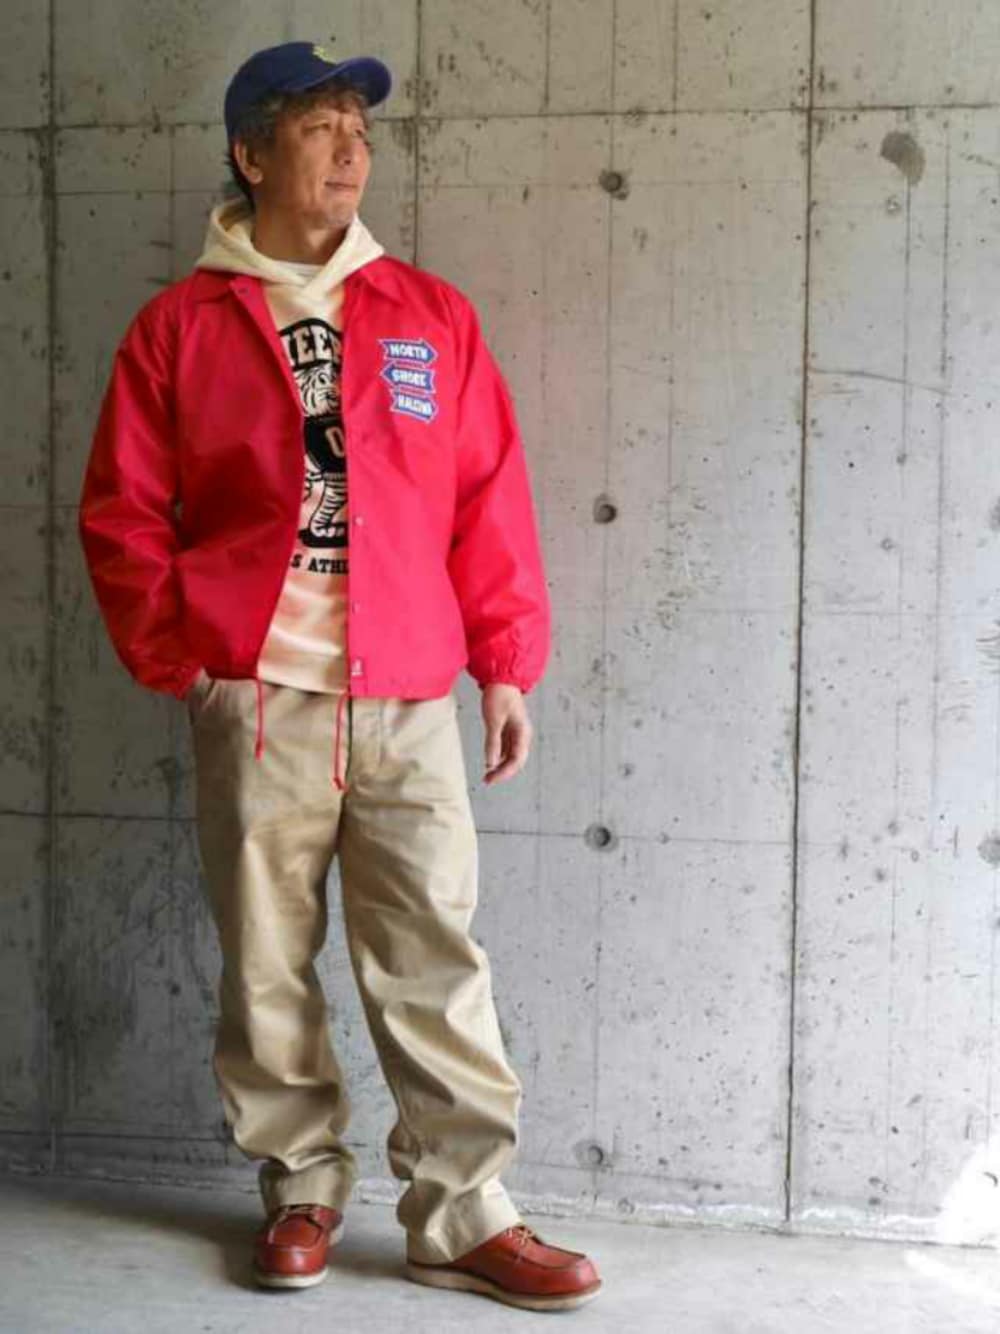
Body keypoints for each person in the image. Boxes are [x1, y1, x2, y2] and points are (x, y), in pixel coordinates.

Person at [77, 40, 602, 1313]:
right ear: (251, 154)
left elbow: (487, 498)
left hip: (408, 694)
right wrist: (184, 660)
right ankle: (300, 1185)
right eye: (319, 125)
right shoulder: (178, 328)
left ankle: (464, 1211)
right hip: (258, 697)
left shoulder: (428, 314)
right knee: (266, 957)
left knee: (434, 951)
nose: (352, 147)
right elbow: (124, 509)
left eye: (360, 127)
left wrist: (505, 665)